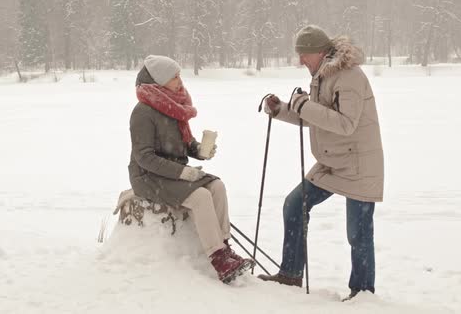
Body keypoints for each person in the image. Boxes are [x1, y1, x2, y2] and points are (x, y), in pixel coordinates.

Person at [258, 25, 384, 301]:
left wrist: (303, 105)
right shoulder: (322, 74)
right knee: (294, 204)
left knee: (358, 232)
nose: (300, 60)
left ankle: (362, 292)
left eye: (304, 55)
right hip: (332, 160)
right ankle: (290, 274)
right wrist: (283, 110)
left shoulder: (347, 76)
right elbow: (317, 116)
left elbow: (345, 124)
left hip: (358, 163)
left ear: (320, 51)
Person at [129, 55, 254, 283]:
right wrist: (182, 173)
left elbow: (184, 144)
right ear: (159, 81)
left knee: (217, 186)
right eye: (174, 76)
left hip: (172, 171)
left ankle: (225, 246)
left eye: (179, 75)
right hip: (148, 176)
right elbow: (144, 157)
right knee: (200, 196)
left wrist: (199, 150)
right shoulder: (143, 112)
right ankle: (218, 258)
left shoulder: (173, 105)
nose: (179, 80)